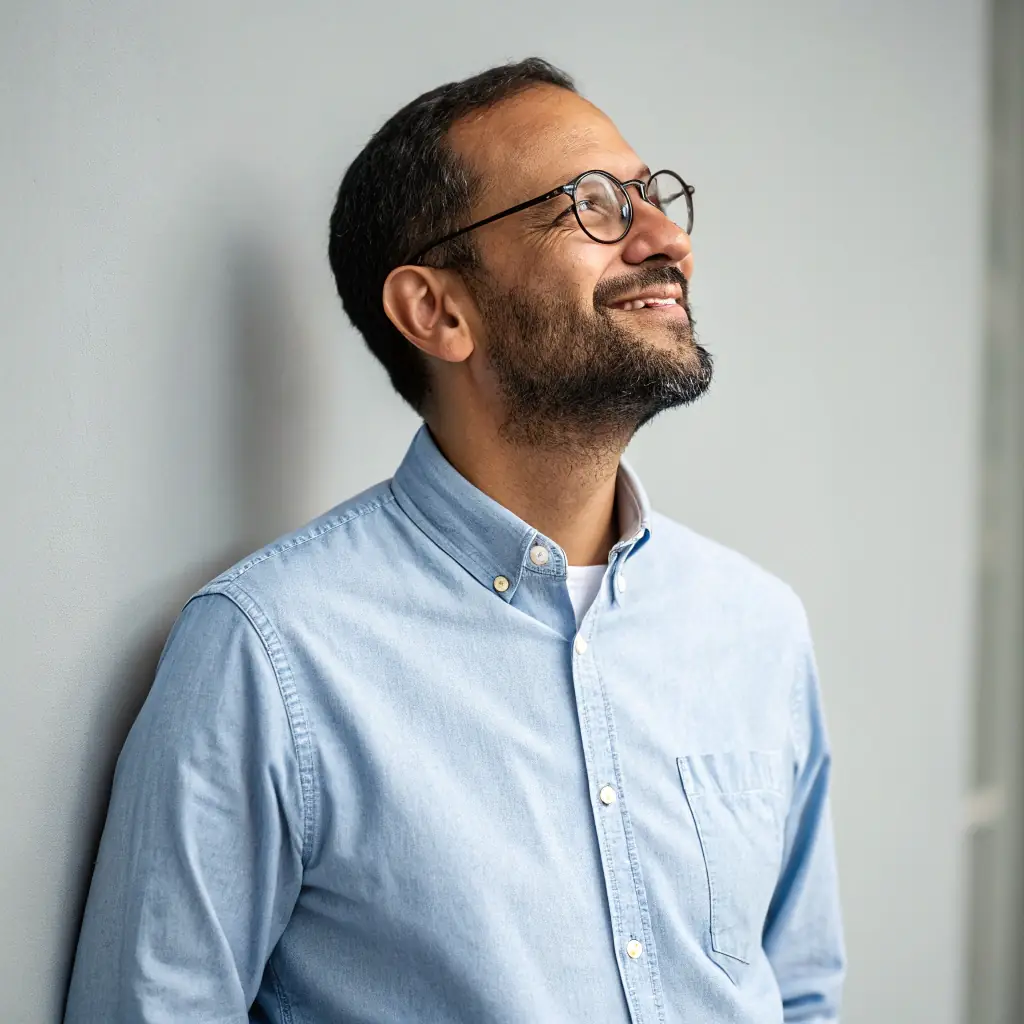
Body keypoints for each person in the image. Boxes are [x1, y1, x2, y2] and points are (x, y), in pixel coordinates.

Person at [64, 57, 845, 1023]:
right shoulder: (269, 655)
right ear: (437, 311)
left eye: (653, 196)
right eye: (592, 205)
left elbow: (799, 994)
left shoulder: (758, 628)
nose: (667, 238)